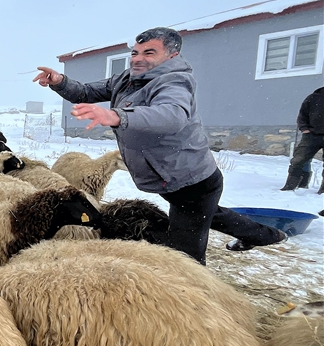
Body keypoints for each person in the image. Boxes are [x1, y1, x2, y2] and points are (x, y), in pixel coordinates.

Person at [34, 27, 286, 264]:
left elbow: (171, 115)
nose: (137, 58)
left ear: (171, 55)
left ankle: (195, 298)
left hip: (191, 180)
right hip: (168, 176)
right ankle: (265, 236)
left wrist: (118, 116)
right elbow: (86, 92)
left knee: (185, 255)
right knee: (208, 214)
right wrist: (60, 81)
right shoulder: (127, 79)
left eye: (149, 52)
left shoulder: (174, 83)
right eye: (135, 52)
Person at [280, 87, 324, 194]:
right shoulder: (313, 98)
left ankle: (322, 192)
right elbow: (302, 115)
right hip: (311, 135)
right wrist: (304, 129)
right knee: (298, 160)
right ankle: (291, 186)